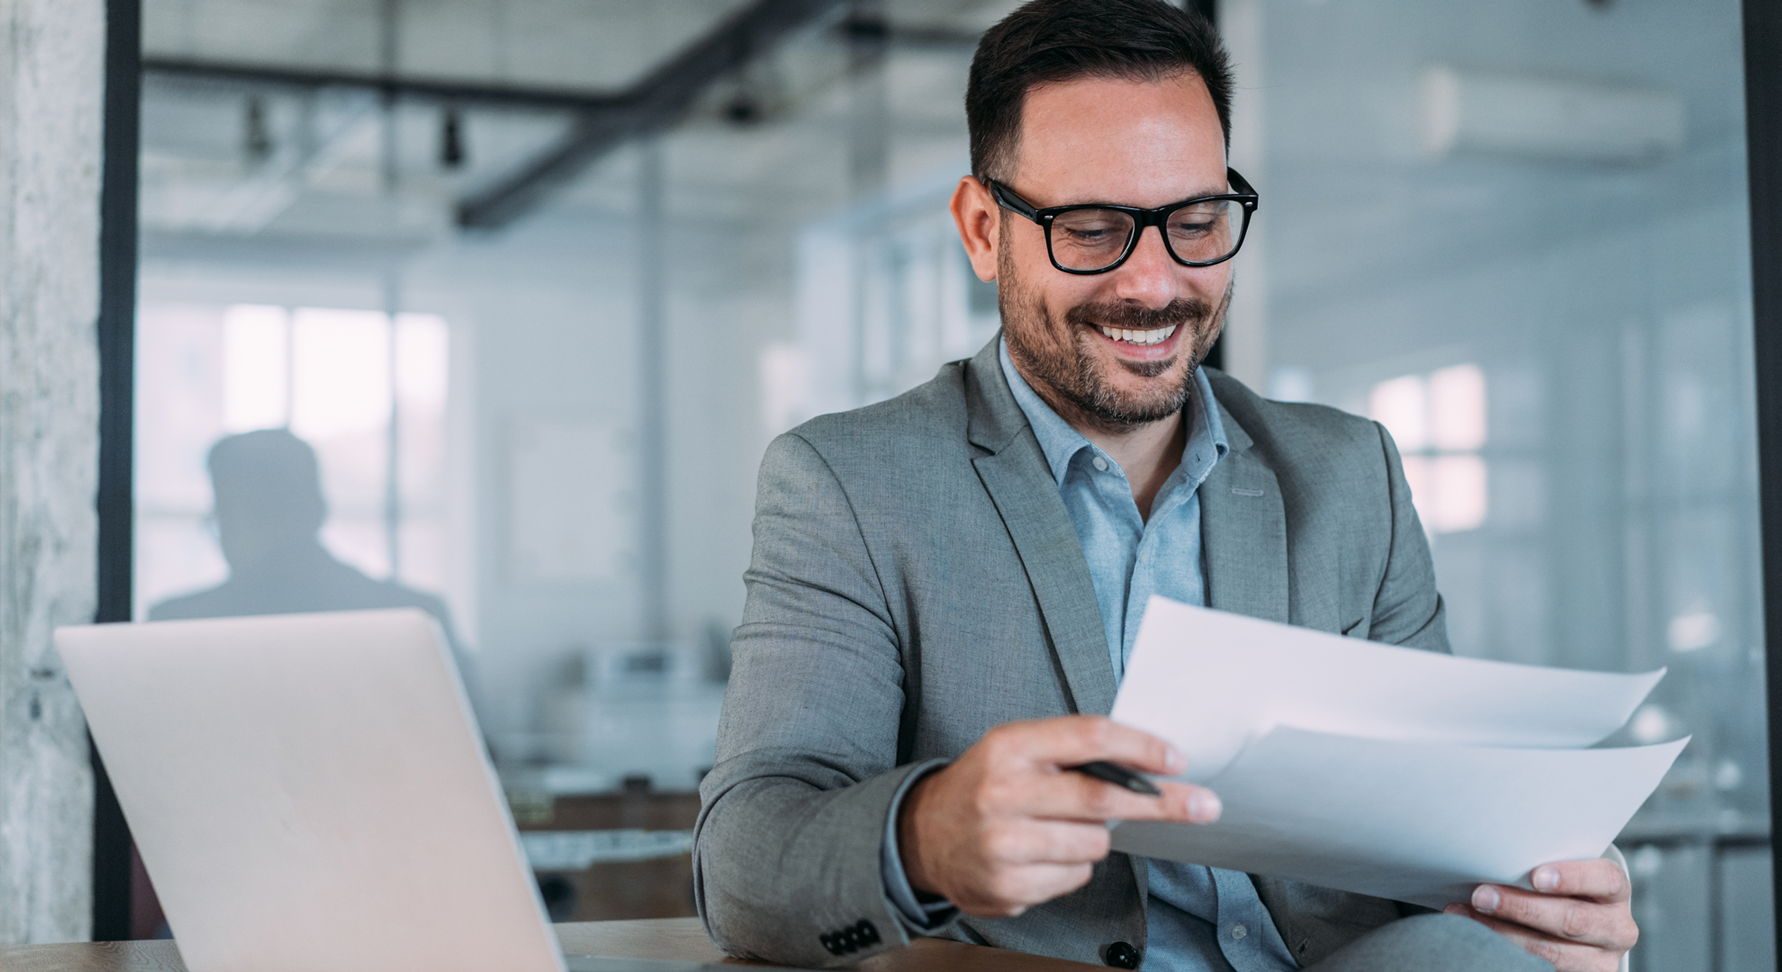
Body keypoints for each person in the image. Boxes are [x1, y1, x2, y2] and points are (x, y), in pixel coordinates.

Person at [693, 2, 1636, 970]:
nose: (1155, 284)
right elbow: (743, 862)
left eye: (1195, 221)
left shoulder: (1353, 473)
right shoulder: (853, 482)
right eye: (1093, 228)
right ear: (983, 230)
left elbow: (1446, 817)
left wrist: (1540, 899)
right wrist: (925, 838)